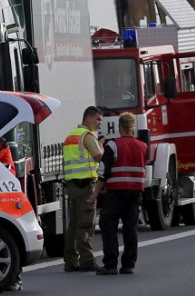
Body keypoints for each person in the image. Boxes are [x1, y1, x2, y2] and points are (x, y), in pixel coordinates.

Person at [89, 112, 147, 275]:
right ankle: (128, 265)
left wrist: (94, 194)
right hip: (136, 192)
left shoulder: (113, 145)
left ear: (120, 126)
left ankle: (111, 264)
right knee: (130, 228)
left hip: (116, 192)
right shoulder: (143, 146)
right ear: (132, 127)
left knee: (109, 226)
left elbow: (103, 172)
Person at [63, 106, 104, 273]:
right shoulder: (87, 136)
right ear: (88, 118)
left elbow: (68, 163)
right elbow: (99, 157)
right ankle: (87, 260)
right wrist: (101, 146)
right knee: (85, 224)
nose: (100, 123)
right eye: (98, 119)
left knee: (73, 225)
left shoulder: (70, 136)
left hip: (72, 186)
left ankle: (70, 261)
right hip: (86, 186)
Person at [0, 137, 22, 291]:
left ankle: (15, 278)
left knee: (9, 236)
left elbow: (8, 170)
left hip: (2, 194)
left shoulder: (0, 145)